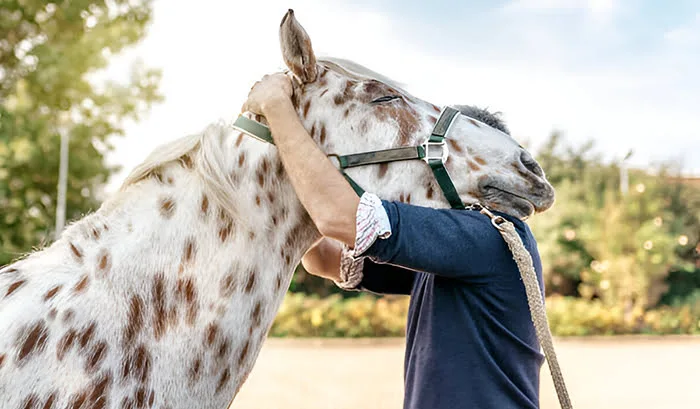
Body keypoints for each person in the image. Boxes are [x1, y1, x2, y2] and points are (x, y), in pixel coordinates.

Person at [242, 73, 545, 409]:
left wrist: (277, 108)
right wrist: (302, 159)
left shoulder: (488, 236)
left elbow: (338, 217)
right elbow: (322, 260)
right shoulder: (450, 260)